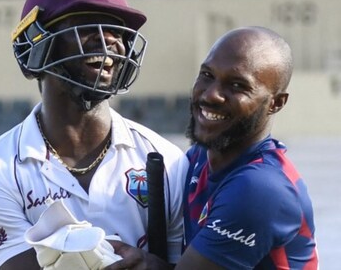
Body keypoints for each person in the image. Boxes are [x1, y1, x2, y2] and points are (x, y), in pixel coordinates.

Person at [0, 0, 189, 270]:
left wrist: (149, 266)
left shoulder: (168, 161)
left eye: (115, 30)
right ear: (36, 46)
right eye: (85, 26)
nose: (109, 43)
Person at [107, 26, 319, 269]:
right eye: (207, 75)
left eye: (237, 85)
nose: (211, 95)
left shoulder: (260, 189)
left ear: (276, 103)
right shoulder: (200, 157)